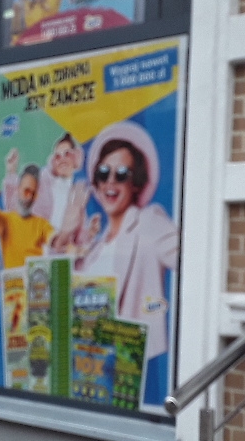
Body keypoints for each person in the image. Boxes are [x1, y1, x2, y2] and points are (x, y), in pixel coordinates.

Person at [76, 122, 178, 403]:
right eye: (103, 173)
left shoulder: (149, 221)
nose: (110, 182)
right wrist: (66, 235)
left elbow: (190, 257)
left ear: (135, 184)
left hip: (130, 367)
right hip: (88, 369)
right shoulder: (94, 247)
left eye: (121, 174)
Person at [0, 164, 86, 269]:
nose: (29, 197)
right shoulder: (5, 220)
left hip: (36, 277)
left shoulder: (41, 224)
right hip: (14, 278)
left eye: (33, 194)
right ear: (18, 190)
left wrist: (70, 228)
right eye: (26, 191)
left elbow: (56, 242)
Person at [3, 133, 84, 229]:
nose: (62, 159)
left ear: (76, 157)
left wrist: (90, 232)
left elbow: (79, 234)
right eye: (58, 156)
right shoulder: (43, 184)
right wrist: (11, 172)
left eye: (67, 154)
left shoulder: (78, 193)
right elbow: (16, 209)